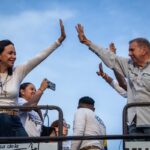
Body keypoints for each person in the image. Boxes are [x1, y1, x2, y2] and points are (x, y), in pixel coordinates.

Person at [76, 24, 150, 134]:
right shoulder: (129, 64)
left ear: (144, 50)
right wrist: (87, 42)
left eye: (132, 50)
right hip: (134, 124)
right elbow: (111, 59)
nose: (129, 54)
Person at [0, 19, 66, 137]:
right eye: (10, 53)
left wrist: (58, 41)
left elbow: (38, 57)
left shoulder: (17, 72)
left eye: (15, 53)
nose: (14, 57)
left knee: (27, 146)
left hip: (14, 120)